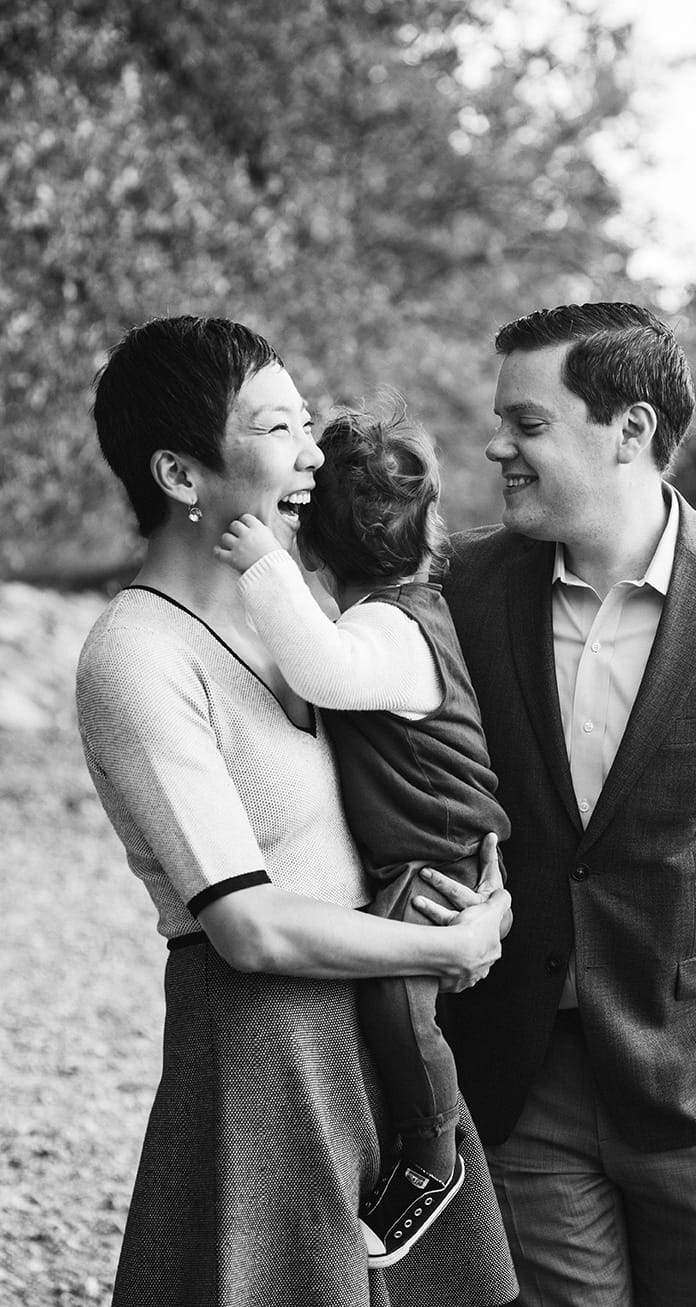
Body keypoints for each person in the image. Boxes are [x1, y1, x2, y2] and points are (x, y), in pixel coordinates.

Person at [75, 315, 517, 1307]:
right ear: (181, 474)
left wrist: (479, 894)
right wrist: (444, 946)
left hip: (385, 1018)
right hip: (266, 1044)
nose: (314, 452)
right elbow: (246, 922)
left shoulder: (302, 615)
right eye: (278, 427)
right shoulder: (137, 654)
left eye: (307, 422)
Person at [427, 302, 696, 1307]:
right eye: (500, 421)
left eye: (527, 423)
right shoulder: (458, 587)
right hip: (519, 1072)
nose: (496, 445)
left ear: (629, 430)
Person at [214, 395, 511, 1267]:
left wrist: (265, 565)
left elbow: (321, 668)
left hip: (438, 855)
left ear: (313, 547)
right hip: (426, 850)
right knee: (397, 998)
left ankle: (431, 1154)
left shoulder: (388, 626)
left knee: (392, 992)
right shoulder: (399, 611)